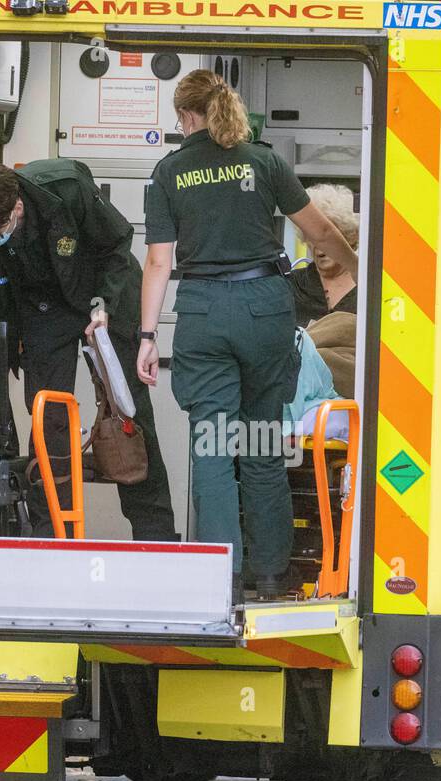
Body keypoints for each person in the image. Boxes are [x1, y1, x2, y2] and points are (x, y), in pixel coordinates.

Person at [138, 69, 358, 598]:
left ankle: (221, 577)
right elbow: (321, 232)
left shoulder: (169, 173)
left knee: (214, 447)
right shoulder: (264, 161)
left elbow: (157, 262)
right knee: (262, 442)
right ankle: (271, 571)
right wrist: (361, 275)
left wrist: (147, 334)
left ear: (187, 116)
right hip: (265, 311)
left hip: (206, 314)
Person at [0, 158, 177, 541]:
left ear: (18, 208)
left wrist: (104, 305)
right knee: (48, 417)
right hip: (43, 306)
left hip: (102, 290)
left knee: (129, 413)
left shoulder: (66, 187)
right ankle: (53, 533)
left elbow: (116, 243)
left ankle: (155, 535)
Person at [290, 183, 360, 327]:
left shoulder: (368, 286)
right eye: (311, 235)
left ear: (349, 236)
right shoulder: (292, 284)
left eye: (327, 237)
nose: (320, 244)